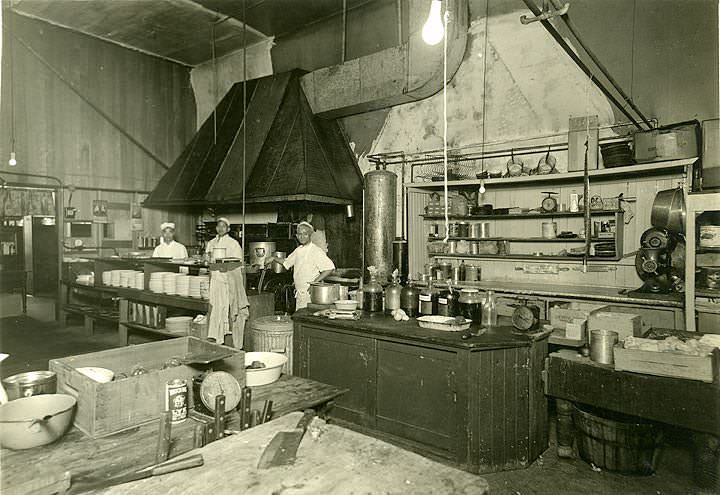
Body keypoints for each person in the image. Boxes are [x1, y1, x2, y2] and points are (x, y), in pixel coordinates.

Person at [266, 221, 335, 310]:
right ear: (297, 236)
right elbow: (287, 262)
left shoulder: (316, 251)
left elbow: (329, 268)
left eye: (305, 234)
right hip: (299, 293)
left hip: (310, 294)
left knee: (307, 319)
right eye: (299, 234)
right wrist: (273, 258)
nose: (302, 236)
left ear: (310, 235)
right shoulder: (298, 250)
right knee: (300, 319)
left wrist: (314, 283)